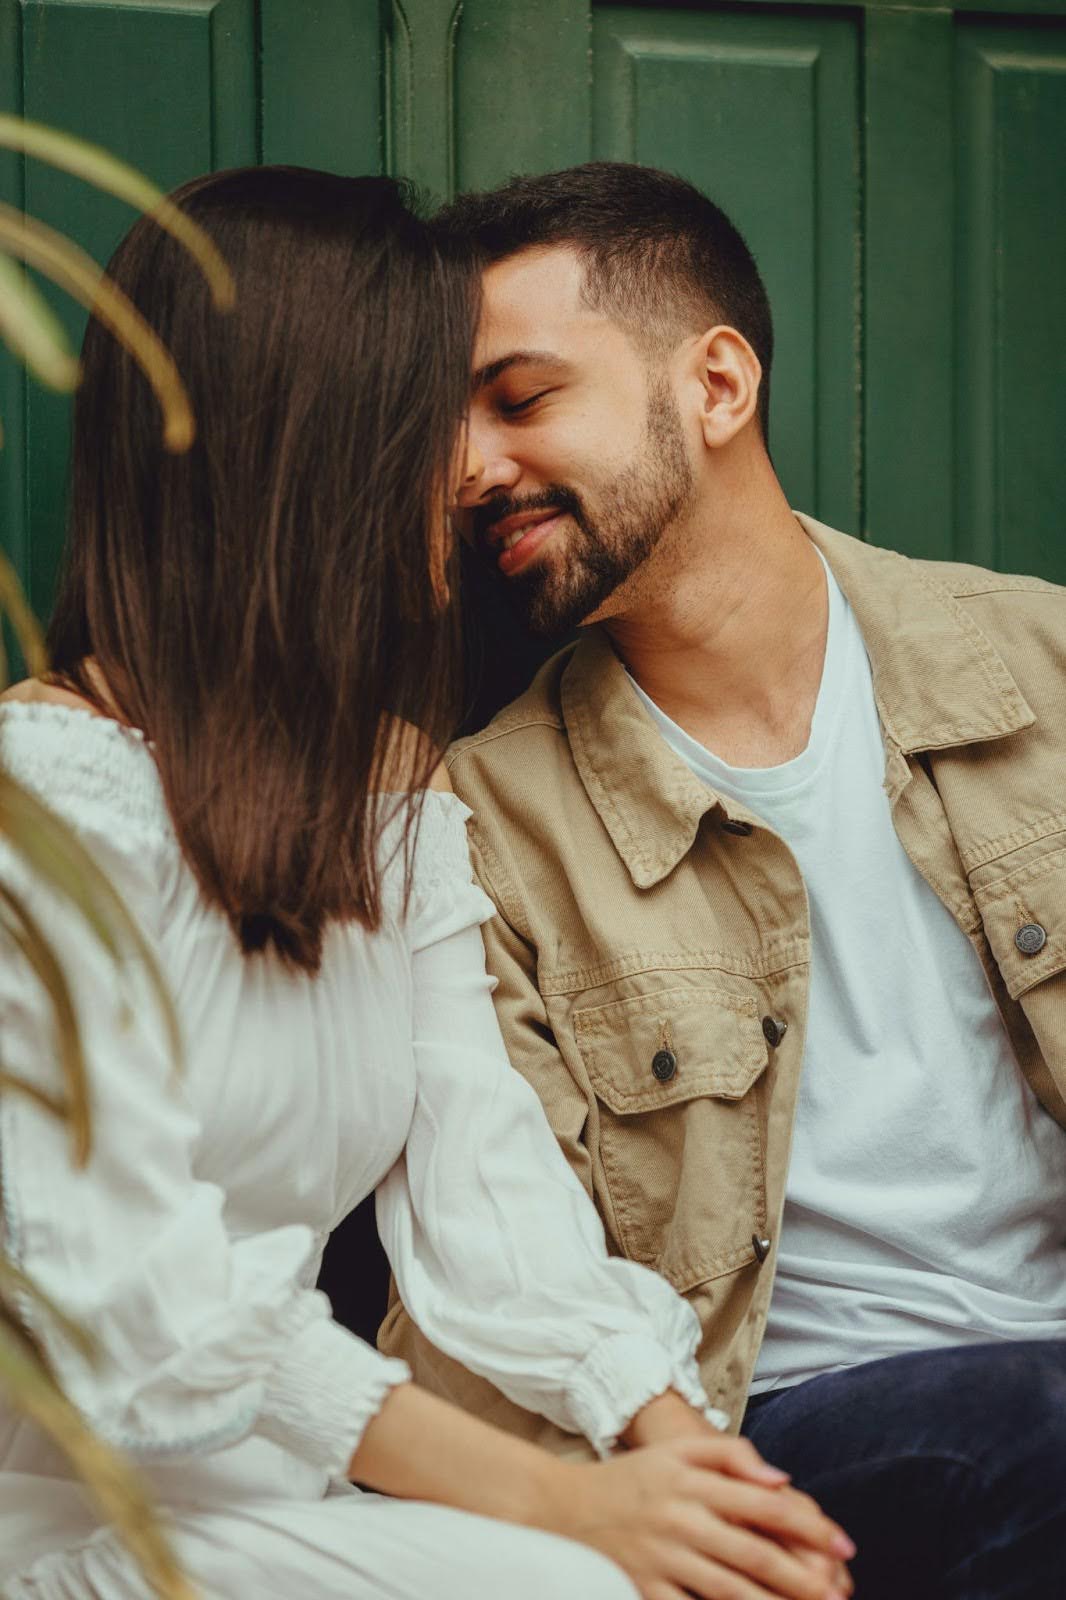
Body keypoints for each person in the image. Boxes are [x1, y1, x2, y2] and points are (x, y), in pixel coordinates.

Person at [0, 166, 855, 1600]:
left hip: (293, 1507)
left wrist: (670, 1443)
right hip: (73, 1527)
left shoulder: (394, 795)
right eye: (428, 413)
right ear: (303, 442)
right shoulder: (44, 802)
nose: (469, 471)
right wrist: (566, 1511)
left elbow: (484, 1185)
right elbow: (136, 1311)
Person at [380, 161, 1066, 1598]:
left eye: (518, 399)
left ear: (715, 384)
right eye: (443, 426)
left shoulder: (1041, 669)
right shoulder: (494, 822)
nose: (466, 469)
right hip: (775, 1423)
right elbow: (504, 1264)